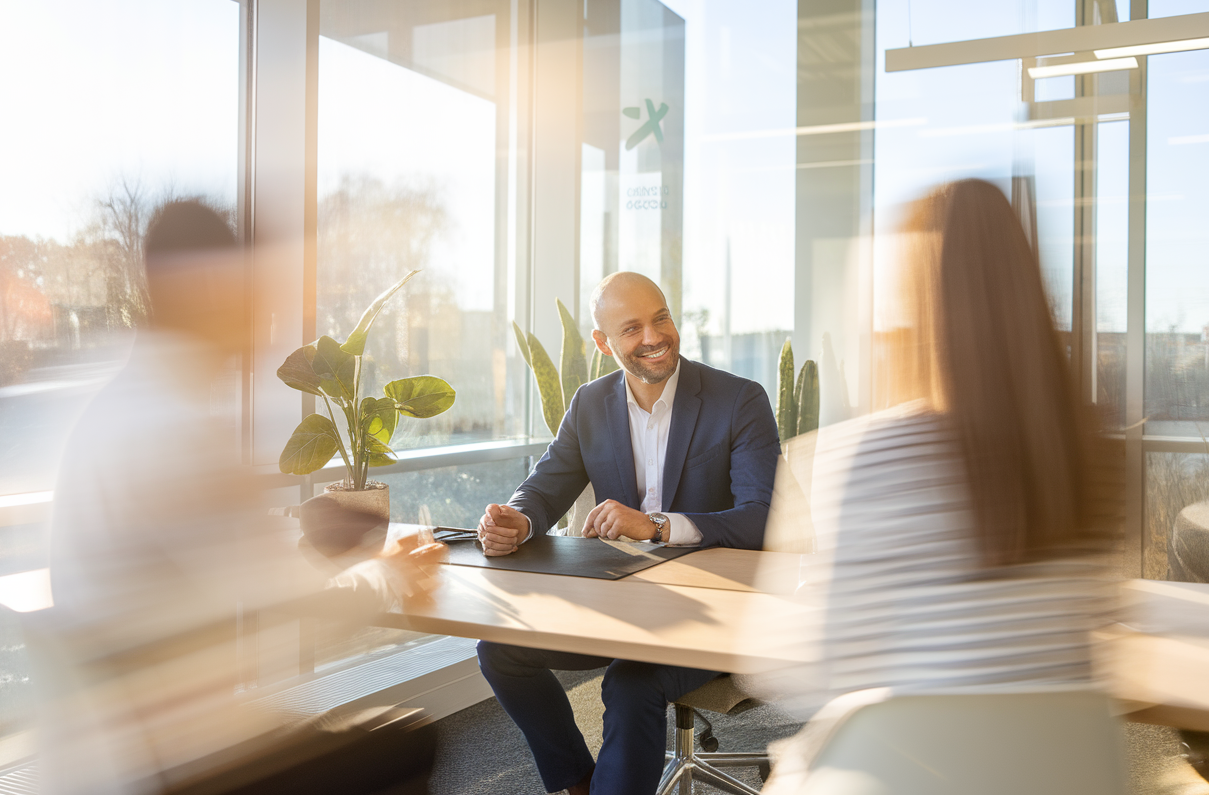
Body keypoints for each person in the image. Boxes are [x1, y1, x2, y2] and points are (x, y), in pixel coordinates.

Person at [44, 200, 443, 795]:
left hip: (112, 753)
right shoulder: (173, 428)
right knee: (407, 742)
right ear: (210, 289)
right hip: (189, 766)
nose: (262, 319)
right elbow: (295, 602)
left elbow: (205, 552)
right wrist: (390, 574)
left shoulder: (110, 411)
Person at [758, 179, 1120, 790]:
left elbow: (802, 670)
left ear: (919, 304)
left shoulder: (868, 454)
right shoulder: (1090, 454)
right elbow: (1095, 629)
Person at [475, 271, 781, 795]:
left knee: (632, 682)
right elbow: (544, 488)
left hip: (715, 612)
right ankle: (580, 781)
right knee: (500, 648)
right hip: (623, 606)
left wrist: (657, 525)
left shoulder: (738, 400)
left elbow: (760, 518)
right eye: (632, 328)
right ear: (603, 342)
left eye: (661, 318)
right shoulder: (589, 404)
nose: (654, 337)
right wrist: (516, 520)